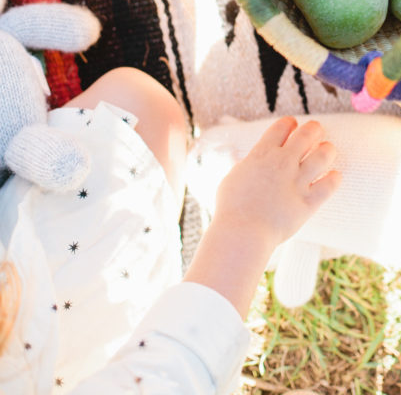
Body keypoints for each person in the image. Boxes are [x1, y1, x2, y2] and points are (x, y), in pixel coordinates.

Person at [0, 66, 341, 394]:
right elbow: (175, 371)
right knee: (138, 104)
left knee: (135, 102)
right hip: (68, 356)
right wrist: (249, 225)